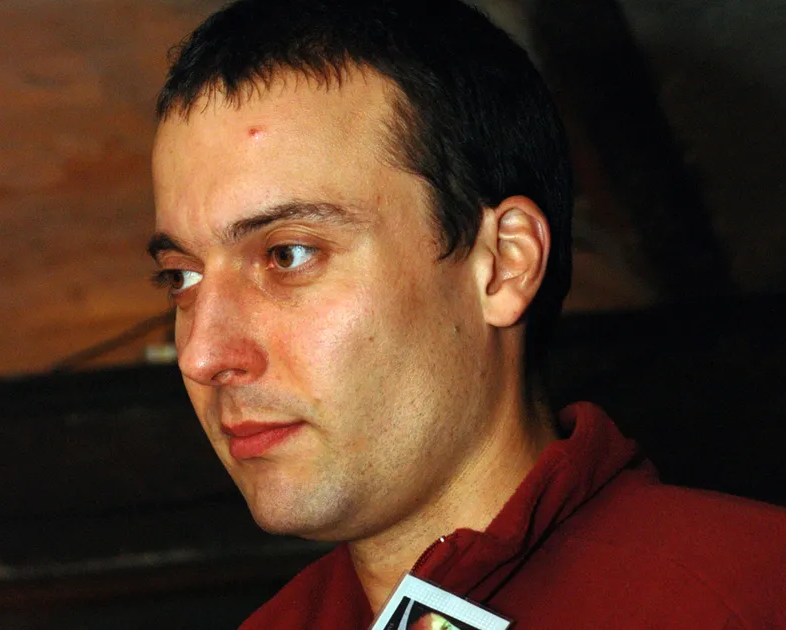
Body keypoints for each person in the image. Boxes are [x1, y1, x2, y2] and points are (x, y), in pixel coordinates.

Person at [148, 0, 786, 627]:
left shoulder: (741, 599)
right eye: (182, 277)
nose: (202, 354)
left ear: (504, 264)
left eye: (288, 255)